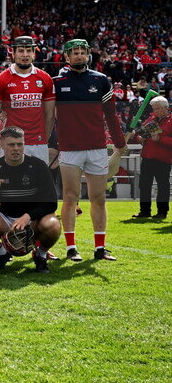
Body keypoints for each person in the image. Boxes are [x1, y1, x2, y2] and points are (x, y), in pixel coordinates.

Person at [54, 39, 125, 261]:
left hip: (96, 148)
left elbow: (111, 115)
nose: (78, 56)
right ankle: (71, 247)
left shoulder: (101, 80)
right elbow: (47, 116)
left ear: (88, 55)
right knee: (70, 198)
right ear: (66, 56)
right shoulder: (56, 82)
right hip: (70, 148)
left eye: (82, 52)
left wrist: (119, 142)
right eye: (74, 53)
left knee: (99, 198)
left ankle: (100, 248)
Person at [0, 126, 60, 274]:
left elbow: (51, 203)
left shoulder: (38, 165)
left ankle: (41, 255)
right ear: (1, 144)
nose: (16, 149)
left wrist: (27, 217)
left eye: (20, 144)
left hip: (34, 219)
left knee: (53, 225)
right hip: (6, 218)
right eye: (11, 144)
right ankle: (3, 254)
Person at [0, 36, 55, 163]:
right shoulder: (1, 79)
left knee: (39, 183)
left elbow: (50, 114)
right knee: (9, 183)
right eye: (21, 51)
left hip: (38, 144)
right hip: (10, 144)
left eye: (29, 50)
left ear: (34, 53)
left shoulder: (45, 78)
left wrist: (44, 139)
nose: (25, 54)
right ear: (13, 52)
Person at [132, 95, 172, 219]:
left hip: (163, 159)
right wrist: (138, 138)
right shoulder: (150, 119)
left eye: (158, 108)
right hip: (147, 156)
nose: (155, 111)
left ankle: (162, 212)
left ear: (166, 108)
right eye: (154, 108)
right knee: (144, 185)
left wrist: (160, 139)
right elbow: (143, 137)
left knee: (162, 186)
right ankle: (144, 211)